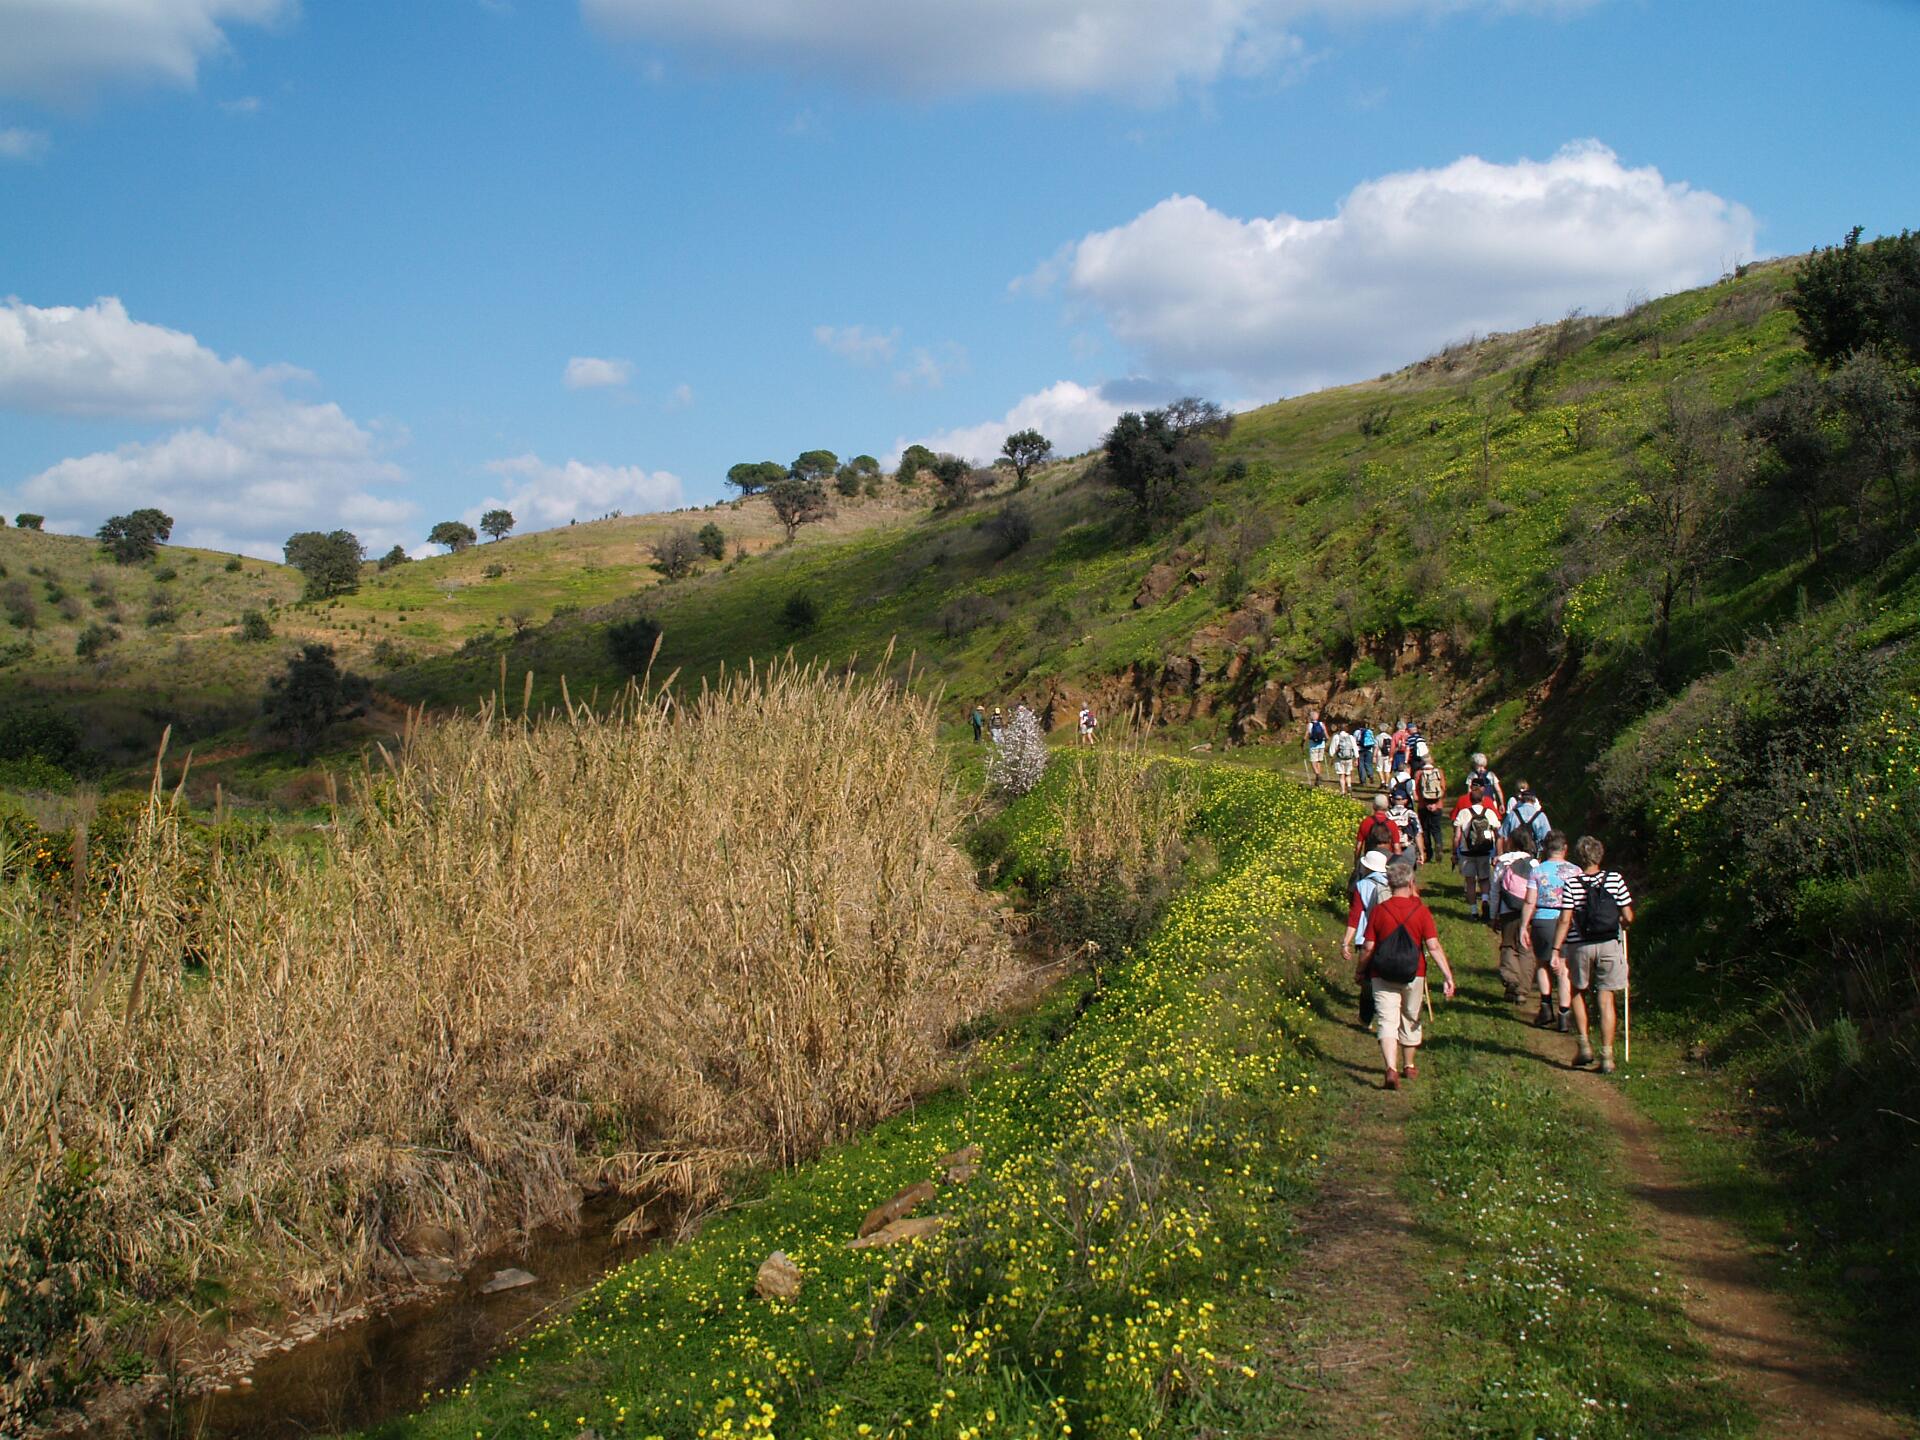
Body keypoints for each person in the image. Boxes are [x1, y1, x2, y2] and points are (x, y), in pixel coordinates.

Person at [1355, 862, 1457, 1090]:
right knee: (1410, 1016)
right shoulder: (1421, 911)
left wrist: (1360, 970)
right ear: (1411, 883)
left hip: (1382, 972)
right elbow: (1433, 946)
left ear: (1389, 884)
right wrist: (1447, 976)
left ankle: (1391, 1068)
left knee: (1386, 1020)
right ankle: (1409, 1064)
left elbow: (1368, 947)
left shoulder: (1380, 911)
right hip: (1414, 972)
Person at [1549, 836, 1635, 1073]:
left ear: (1579, 857)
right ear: (1600, 855)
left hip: (1580, 945)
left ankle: (1584, 1045)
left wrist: (1556, 948)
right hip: (1609, 942)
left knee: (1578, 991)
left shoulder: (1572, 884)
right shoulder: (1615, 879)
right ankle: (1607, 1056)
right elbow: (1628, 916)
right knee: (1606, 998)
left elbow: (1565, 919)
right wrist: (1621, 923)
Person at [1520, 830, 1576, 1031]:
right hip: (1568, 920)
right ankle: (1564, 1014)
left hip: (1543, 919)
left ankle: (1545, 1007)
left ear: (1545, 849)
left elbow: (1530, 901)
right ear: (1565, 849)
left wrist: (1523, 925)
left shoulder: (1537, 871)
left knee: (1542, 964)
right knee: (1564, 968)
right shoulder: (1575, 871)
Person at [1341, 849, 1392, 1027]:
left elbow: (1355, 917)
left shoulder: (1362, 885)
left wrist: (1346, 942)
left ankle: (1366, 1018)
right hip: (1389, 935)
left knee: (1368, 980)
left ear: (1367, 867)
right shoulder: (1392, 883)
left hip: (1366, 937)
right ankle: (1385, 1013)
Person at [1489, 829, 1537, 1003]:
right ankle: (1522, 990)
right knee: (1526, 949)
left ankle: (1511, 979)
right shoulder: (1534, 863)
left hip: (1507, 909)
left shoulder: (1503, 862)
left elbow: (1495, 890)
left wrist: (1493, 915)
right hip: (1529, 910)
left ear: (1511, 842)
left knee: (1509, 945)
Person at [1452, 779, 1503, 920]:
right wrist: (1498, 853)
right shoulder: (1489, 813)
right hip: (1484, 851)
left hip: (1467, 852)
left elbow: (1457, 837)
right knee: (1484, 879)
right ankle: (1485, 899)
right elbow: (1499, 834)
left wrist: (1454, 852)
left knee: (1470, 882)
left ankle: (1474, 912)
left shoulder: (1463, 813)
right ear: (1483, 799)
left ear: (1470, 799)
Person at [1415, 752, 1449, 864]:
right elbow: (1443, 788)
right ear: (1432, 761)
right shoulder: (1439, 772)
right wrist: (1435, 803)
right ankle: (1438, 844)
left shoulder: (1419, 773)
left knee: (1425, 829)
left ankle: (1428, 853)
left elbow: (1417, 790)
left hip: (1423, 806)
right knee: (1436, 828)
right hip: (1437, 805)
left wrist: (1425, 803)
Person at [1502, 782, 1550, 849]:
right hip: (1535, 851)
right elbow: (1547, 836)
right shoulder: (1541, 816)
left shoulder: (1513, 814)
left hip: (1515, 850)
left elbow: (1503, 835)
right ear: (1534, 800)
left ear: (1522, 799)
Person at [1331, 723, 1360, 795]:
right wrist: (1356, 758)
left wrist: (1332, 756)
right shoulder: (1351, 737)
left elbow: (1332, 749)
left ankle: (1343, 791)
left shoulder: (1336, 737)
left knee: (1341, 775)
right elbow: (1355, 748)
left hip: (1339, 759)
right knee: (1348, 774)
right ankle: (1349, 785)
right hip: (1349, 758)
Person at [1305, 711, 1329, 785]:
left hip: (1313, 745)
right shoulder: (1321, 724)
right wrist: (1326, 741)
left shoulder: (1309, 725)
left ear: (1311, 717)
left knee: (1313, 761)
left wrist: (1302, 742)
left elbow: (1306, 734)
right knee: (1318, 761)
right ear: (1317, 717)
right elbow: (1326, 735)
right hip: (1321, 745)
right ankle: (1318, 777)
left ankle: (1317, 775)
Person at [1357, 720, 1377, 785]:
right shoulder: (1370, 731)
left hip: (1360, 750)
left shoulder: (1357, 732)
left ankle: (1363, 781)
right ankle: (1370, 775)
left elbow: (1354, 741)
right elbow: (1373, 742)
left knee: (1361, 765)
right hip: (1369, 750)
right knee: (1368, 764)